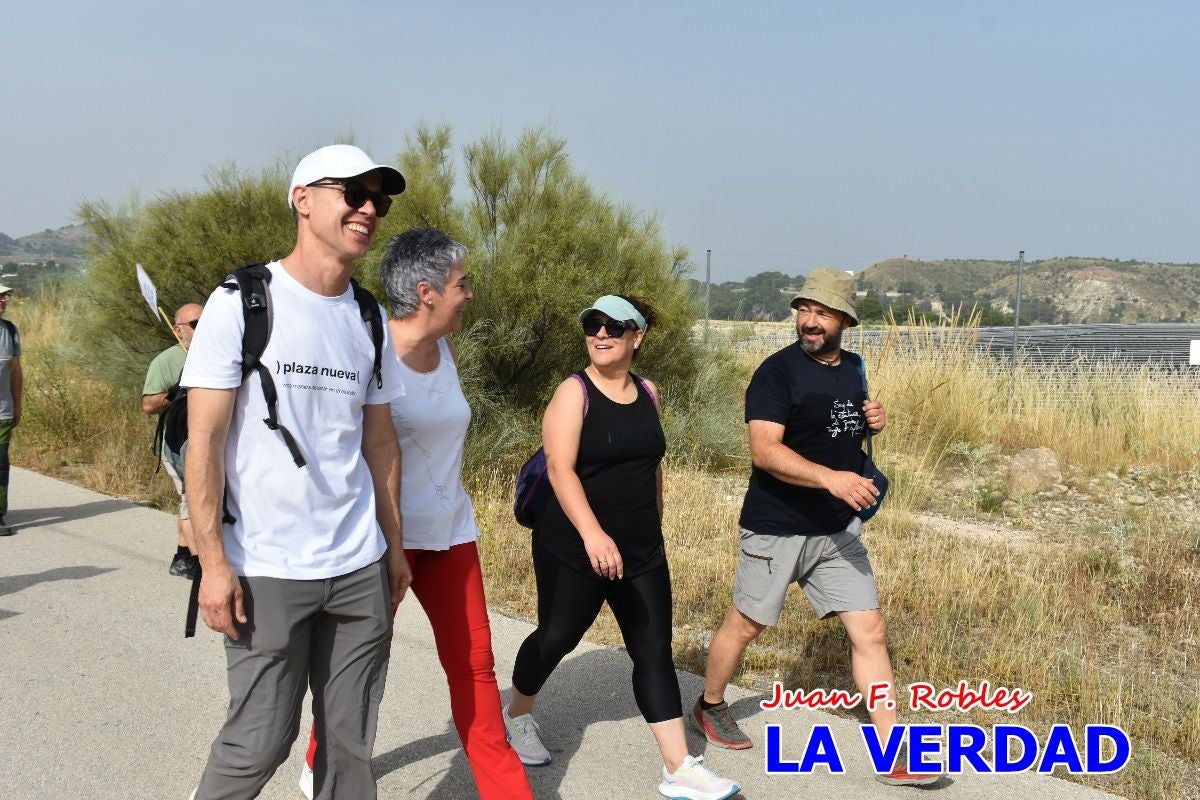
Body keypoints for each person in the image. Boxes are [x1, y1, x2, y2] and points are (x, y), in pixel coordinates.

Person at [183, 144, 411, 800]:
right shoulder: (241, 302)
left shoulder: (367, 318)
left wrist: (393, 550)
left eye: (380, 200)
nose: (368, 209)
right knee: (259, 743)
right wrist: (213, 563)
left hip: (357, 566)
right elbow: (205, 442)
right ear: (303, 198)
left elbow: (382, 447)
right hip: (266, 566)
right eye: (353, 193)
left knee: (350, 748)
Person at [297, 227, 534, 800]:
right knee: (361, 672)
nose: (469, 294)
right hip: (378, 546)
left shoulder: (446, 349)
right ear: (426, 292)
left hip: (452, 536)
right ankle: (322, 759)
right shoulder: (367, 351)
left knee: (476, 669)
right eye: (462, 284)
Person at [690, 268, 939, 787]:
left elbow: (839, 426)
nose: (809, 320)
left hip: (836, 530)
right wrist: (832, 479)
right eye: (804, 309)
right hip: (776, 526)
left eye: (821, 312)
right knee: (747, 625)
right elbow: (765, 452)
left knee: (870, 630)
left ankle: (894, 752)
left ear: (844, 319)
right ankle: (710, 704)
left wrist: (872, 419)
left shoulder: (854, 368)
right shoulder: (775, 373)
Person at [505, 295, 740, 800]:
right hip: (572, 543)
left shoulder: (649, 392)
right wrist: (594, 534)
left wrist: (654, 524)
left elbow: (651, 463)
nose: (601, 332)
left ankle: (678, 767)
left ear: (638, 336)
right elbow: (560, 468)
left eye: (614, 325)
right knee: (556, 637)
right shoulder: (574, 393)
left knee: (652, 650)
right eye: (593, 324)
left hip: (640, 549)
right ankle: (518, 716)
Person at [142, 302, 203, 577]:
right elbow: (148, 405)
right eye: (195, 324)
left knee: (191, 501)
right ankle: (199, 562)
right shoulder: (167, 361)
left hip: (206, 443)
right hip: (179, 446)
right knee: (193, 503)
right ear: (178, 330)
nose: (202, 328)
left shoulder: (214, 354)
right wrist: (176, 393)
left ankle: (181, 557)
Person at [0, 285, 20, 537]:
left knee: (0, 462)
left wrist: (18, 404)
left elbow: (15, 370)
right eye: (0, 296)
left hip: (2, 411)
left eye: (4, 296)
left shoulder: (10, 331)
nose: (4, 300)